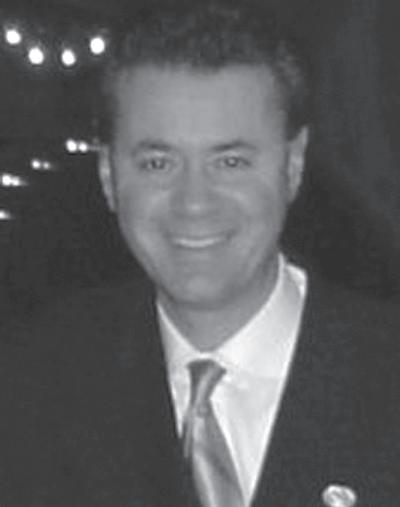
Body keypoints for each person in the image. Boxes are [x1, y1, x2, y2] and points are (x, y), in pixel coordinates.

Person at [2, 1, 399, 506]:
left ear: (293, 166)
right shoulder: (30, 388)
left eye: (230, 162)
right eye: (158, 163)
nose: (194, 204)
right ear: (108, 176)